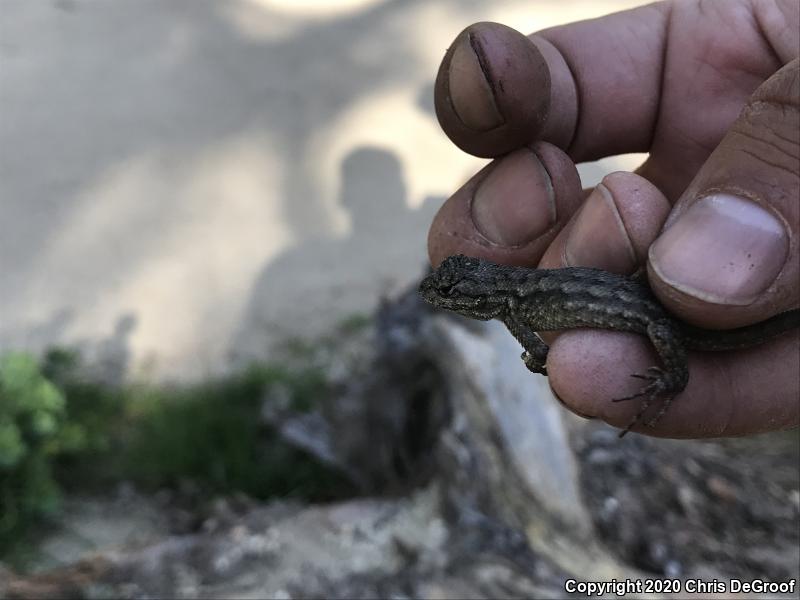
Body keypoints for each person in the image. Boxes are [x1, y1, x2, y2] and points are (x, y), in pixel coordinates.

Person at [426, 0, 799, 437]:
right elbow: (544, 355)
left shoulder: (515, 308)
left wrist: (536, 359)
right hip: (650, 306)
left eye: (450, 292)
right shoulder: (514, 303)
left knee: (645, 333)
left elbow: (542, 357)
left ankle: (675, 379)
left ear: (477, 294)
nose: (442, 298)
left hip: (660, 316)